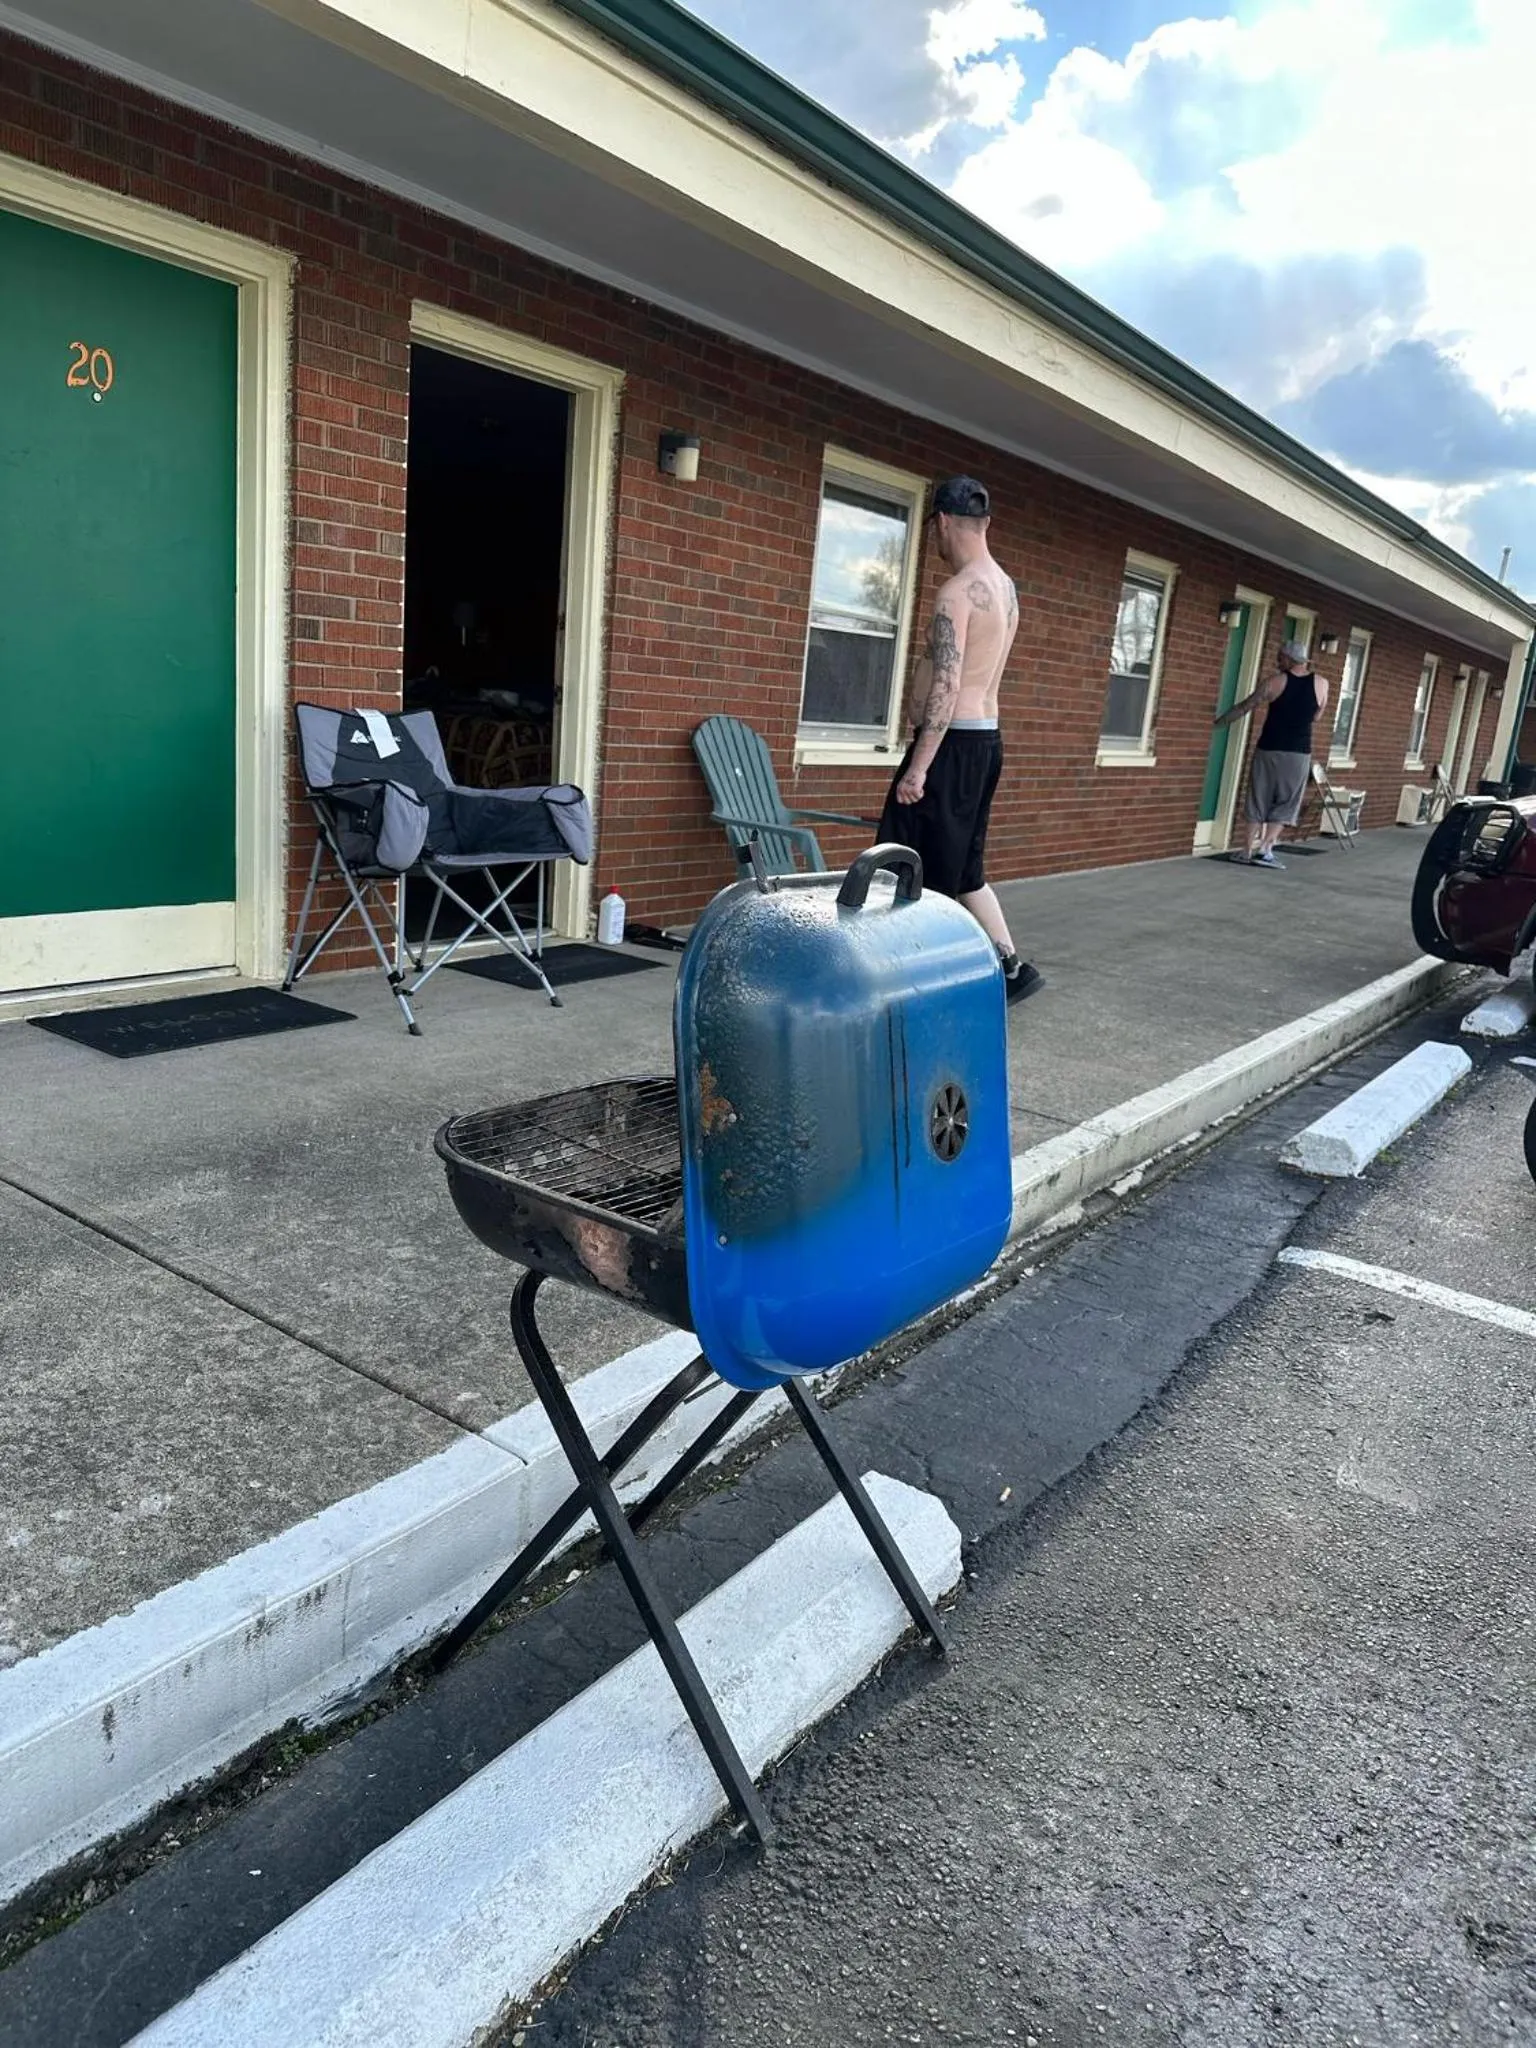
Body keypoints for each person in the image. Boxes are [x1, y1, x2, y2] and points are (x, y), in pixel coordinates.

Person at [878, 475, 1043, 1003]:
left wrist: (919, 767)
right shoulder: (1006, 589)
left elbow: (947, 687)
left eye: (935, 532)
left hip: (951, 744)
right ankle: (1011, 967)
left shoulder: (955, 594)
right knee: (965, 865)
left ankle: (922, 979)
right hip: (987, 741)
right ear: (986, 524)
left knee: (905, 861)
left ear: (943, 523)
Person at [1215, 637, 1330, 869]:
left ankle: (1246, 850)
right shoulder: (1322, 683)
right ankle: (1266, 849)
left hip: (1268, 748)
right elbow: (1317, 716)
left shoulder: (1274, 682)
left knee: (1258, 796)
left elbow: (1246, 706)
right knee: (1287, 801)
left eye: (1280, 657)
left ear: (1288, 659)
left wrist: (1219, 722)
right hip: (1298, 752)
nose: (1277, 661)